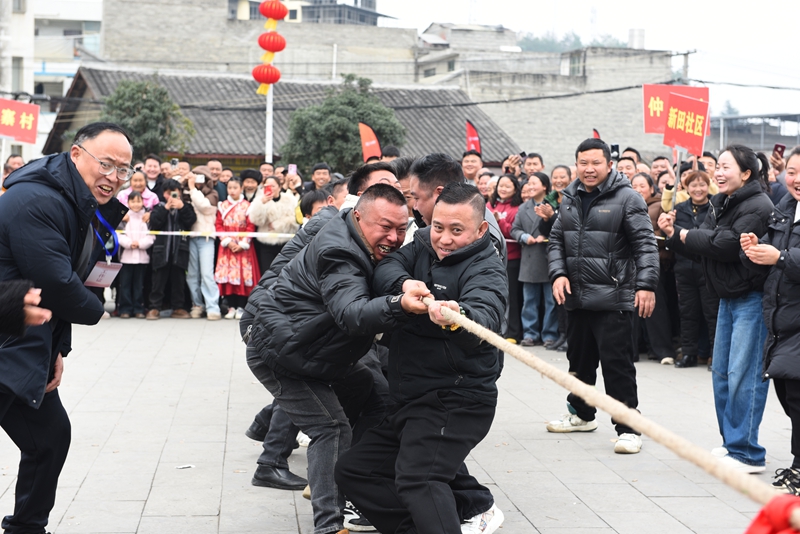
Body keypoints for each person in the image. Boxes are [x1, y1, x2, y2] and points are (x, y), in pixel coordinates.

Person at [247, 184, 429, 534]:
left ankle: (354, 487)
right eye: (385, 227)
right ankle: (329, 526)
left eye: (401, 229)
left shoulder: (358, 237)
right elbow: (352, 313)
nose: (393, 237)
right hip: (282, 352)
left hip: (322, 352)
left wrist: (403, 285)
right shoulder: (339, 251)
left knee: (378, 398)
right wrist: (398, 304)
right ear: (358, 215)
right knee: (329, 427)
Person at [336, 182, 507, 534]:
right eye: (439, 227)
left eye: (457, 231)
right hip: (410, 397)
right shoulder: (421, 245)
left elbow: (485, 317)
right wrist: (405, 285)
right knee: (355, 470)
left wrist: (458, 317)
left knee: (420, 480)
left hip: (456, 399)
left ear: (480, 230)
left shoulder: (486, 268)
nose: (444, 239)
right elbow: (387, 268)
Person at [0, 122, 131, 533]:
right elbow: (56, 282)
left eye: (122, 169)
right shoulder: (35, 199)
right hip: (6, 344)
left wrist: (56, 349)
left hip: (24, 343)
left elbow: (53, 285)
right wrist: (95, 310)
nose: (113, 176)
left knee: (50, 437)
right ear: (76, 155)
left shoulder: (77, 203)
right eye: (105, 164)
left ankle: (27, 526)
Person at [659, 144, 774, 473]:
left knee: (745, 374)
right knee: (722, 373)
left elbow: (722, 245)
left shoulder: (757, 204)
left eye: (726, 167)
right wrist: (678, 236)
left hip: (750, 297)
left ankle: (748, 451)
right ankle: (731, 442)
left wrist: (682, 234)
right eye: (717, 167)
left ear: (746, 173)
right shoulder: (722, 201)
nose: (718, 173)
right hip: (727, 295)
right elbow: (707, 241)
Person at [546, 138, 658, 455]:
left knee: (616, 365)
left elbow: (646, 246)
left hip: (615, 296)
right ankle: (581, 414)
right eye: (583, 163)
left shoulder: (627, 198)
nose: (589, 169)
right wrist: (558, 274)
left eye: (596, 163)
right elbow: (556, 242)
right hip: (577, 296)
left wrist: (646, 285)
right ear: (576, 164)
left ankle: (629, 429)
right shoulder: (568, 197)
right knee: (578, 363)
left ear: (609, 164)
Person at [740, 147, 800, 492]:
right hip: (780, 319)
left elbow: (781, 258)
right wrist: (751, 249)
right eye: (791, 172)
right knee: (785, 392)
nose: (796, 179)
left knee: (796, 395)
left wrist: (779, 257)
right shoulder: (784, 211)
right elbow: (766, 258)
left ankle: (798, 466)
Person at [666, 171, 718, 369]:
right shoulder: (678, 210)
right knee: (687, 313)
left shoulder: (715, 207)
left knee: (712, 313)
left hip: (708, 269)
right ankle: (689, 354)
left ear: (708, 186)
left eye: (702, 185)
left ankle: (715, 355)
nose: (698, 189)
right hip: (684, 269)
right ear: (686, 188)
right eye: (693, 185)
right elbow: (672, 239)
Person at [630, 173, 675, 364]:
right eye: (635, 186)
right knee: (630, 309)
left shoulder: (660, 206)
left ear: (651, 189)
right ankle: (631, 351)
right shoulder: (626, 206)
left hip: (652, 263)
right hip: (630, 265)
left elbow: (663, 233)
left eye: (642, 186)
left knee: (655, 309)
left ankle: (663, 350)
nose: (638, 190)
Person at [512, 172, 558, 348]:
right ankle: (530, 333)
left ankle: (549, 334)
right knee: (529, 301)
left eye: (534, 183)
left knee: (550, 301)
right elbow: (514, 229)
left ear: (545, 186)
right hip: (530, 258)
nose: (530, 187)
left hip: (549, 258)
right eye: (528, 184)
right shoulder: (523, 208)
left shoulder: (554, 205)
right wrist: (524, 237)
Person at [146, 179, 197, 320]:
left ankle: (178, 307)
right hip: (161, 251)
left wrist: (182, 207)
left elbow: (191, 221)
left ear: (180, 193)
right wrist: (165, 208)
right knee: (157, 281)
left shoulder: (186, 206)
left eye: (175, 193)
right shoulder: (159, 207)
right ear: (164, 194)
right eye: (168, 193)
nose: (172, 196)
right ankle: (154, 307)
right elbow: (154, 223)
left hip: (180, 250)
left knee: (179, 280)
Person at [536, 165, 573, 352]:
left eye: (562, 176)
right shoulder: (549, 200)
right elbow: (544, 232)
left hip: (572, 255)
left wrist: (554, 215)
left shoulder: (574, 198)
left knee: (569, 298)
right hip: (554, 255)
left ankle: (571, 337)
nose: (559, 180)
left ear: (570, 178)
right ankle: (562, 334)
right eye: (555, 177)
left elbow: (570, 223)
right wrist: (545, 219)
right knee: (558, 298)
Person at [215, 178, 259, 319]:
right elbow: (218, 225)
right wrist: (227, 241)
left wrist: (242, 244)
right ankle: (231, 307)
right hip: (227, 247)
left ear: (241, 188)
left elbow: (251, 226)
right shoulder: (222, 206)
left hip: (243, 247)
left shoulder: (248, 206)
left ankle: (241, 307)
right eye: (230, 188)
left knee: (242, 276)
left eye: (235, 188)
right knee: (228, 276)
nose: (232, 190)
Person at [487, 174, 523, 343]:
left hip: (513, 257)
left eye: (508, 186)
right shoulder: (489, 205)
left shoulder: (518, 208)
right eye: (501, 185)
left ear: (515, 189)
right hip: (492, 257)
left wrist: (499, 222)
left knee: (513, 297)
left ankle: (513, 332)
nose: (503, 189)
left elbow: (512, 231)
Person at [185, 166, 222, 320]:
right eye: (195, 176)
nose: (197, 180)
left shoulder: (213, 194)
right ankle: (197, 304)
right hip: (191, 237)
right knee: (192, 274)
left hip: (206, 238)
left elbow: (205, 207)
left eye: (201, 177)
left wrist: (192, 188)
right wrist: (185, 182)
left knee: (207, 274)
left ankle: (213, 306)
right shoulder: (187, 191)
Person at [247, 172, 299, 276]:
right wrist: (262, 204)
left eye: (273, 186)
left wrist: (277, 225)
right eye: (267, 186)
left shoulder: (290, 199)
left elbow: (295, 219)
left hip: (285, 243)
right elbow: (255, 220)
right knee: (267, 272)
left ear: (280, 187)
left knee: (285, 273)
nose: (270, 188)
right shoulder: (258, 200)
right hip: (266, 243)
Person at [117, 191, 155, 318]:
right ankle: (125, 309)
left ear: (143, 202)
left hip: (142, 257)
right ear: (128, 203)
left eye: (139, 201)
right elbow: (118, 234)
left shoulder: (146, 218)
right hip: (126, 257)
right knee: (125, 285)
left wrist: (140, 243)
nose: (136, 204)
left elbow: (151, 236)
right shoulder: (124, 217)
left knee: (139, 285)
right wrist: (129, 243)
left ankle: (138, 308)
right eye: (133, 201)